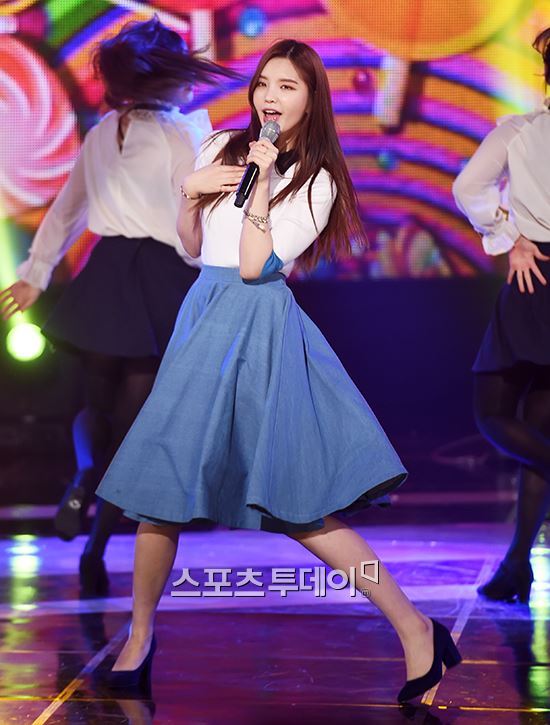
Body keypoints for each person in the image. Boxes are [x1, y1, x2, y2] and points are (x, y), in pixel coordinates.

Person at [95, 39, 462, 702]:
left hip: (259, 328)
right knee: (160, 489)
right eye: (265, 82)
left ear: (311, 100)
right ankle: (139, 636)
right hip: (202, 318)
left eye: (287, 86)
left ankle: (415, 628)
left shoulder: (318, 182)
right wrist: (190, 193)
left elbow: (253, 265)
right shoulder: (218, 146)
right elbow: (193, 247)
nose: (270, 96)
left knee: (298, 506)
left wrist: (261, 182)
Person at [0, 17, 238, 598]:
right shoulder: (186, 133)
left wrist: (35, 276)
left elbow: (66, 210)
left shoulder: (105, 132)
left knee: (96, 410)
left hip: (106, 276)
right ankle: (95, 546)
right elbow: (193, 222)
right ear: (168, 78)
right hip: (159, 281)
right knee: (133, 433)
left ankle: (84, 479)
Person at [453, 28, 550, 604]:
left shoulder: (521, 130)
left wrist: (509, 234)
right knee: (537, 427)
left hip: (537, 273)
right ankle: (516, 565)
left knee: (493, 412)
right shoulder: (521, 130)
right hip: (536, 271)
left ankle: (516, 566)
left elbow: (470, 186)